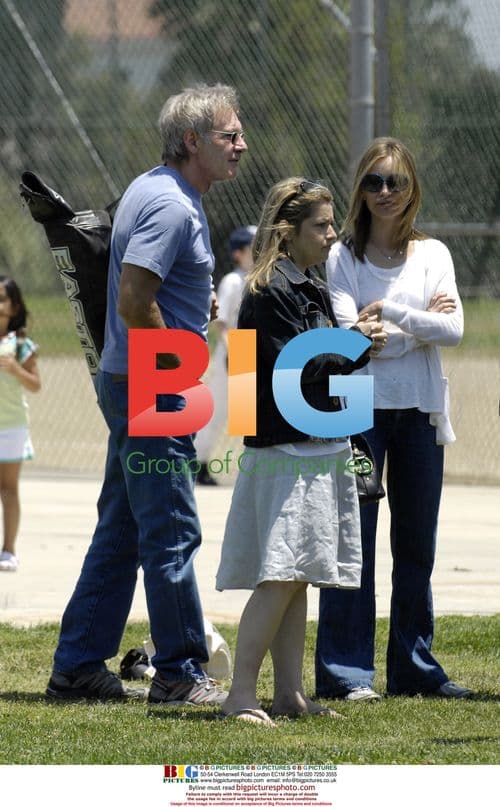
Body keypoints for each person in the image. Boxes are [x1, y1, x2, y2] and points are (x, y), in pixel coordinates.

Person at [46, 83, 248, 703]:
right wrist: (180, 361)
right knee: (171, 528)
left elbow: (147, 287)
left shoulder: (153, 186)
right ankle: (181, 672)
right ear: (192, 141)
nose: (242, 144)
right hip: (152, 381)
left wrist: (194, 303)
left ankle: (78, 665)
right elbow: (135, 301)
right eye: (228, 134)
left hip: (129, 376)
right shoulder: (172, 205)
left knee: (126, 527)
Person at [215, 177, 385, 726]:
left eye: (332, 224)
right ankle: (240, 693)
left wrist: (354, 340)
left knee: (299, 575)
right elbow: (301, 373)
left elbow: (321, 369)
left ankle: (289, 693)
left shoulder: (305, 285)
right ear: (288, 231)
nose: (332, 234)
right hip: (287, 454)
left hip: (313, 450)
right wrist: (354, 341)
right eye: (322, 225)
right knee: (281, 576)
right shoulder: (270, 292)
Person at [315, 136, 471, 701]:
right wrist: (414, 328)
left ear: (412, 191)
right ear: (360, 190)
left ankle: (413, 668)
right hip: (358, 410)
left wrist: (393, 315)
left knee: (417, 548)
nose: (384, 192)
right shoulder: (342, 257)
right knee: (352, 542)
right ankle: (346, 673)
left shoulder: (435, 255)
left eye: (396, 182)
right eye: (374, 182)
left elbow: (452, 331)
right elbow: (352, 337)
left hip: (421, 411)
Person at [195, 224, 257, 485]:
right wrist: (231, 347)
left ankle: (248, 471)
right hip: (235, 346)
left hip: (251, 347)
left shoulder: (258, 279)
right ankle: (198, 463)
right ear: (239, 254)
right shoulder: (233, 280)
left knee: (248, 417)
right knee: (217, 411)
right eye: (254, 248)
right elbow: (220, 320)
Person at [0, 276, 41, 572]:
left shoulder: (22, 344)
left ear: (14, 306)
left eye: (2, 298)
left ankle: (9, 550)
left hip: (11, 426)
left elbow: (36, 384)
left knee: (9, 489)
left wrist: (15, 368)